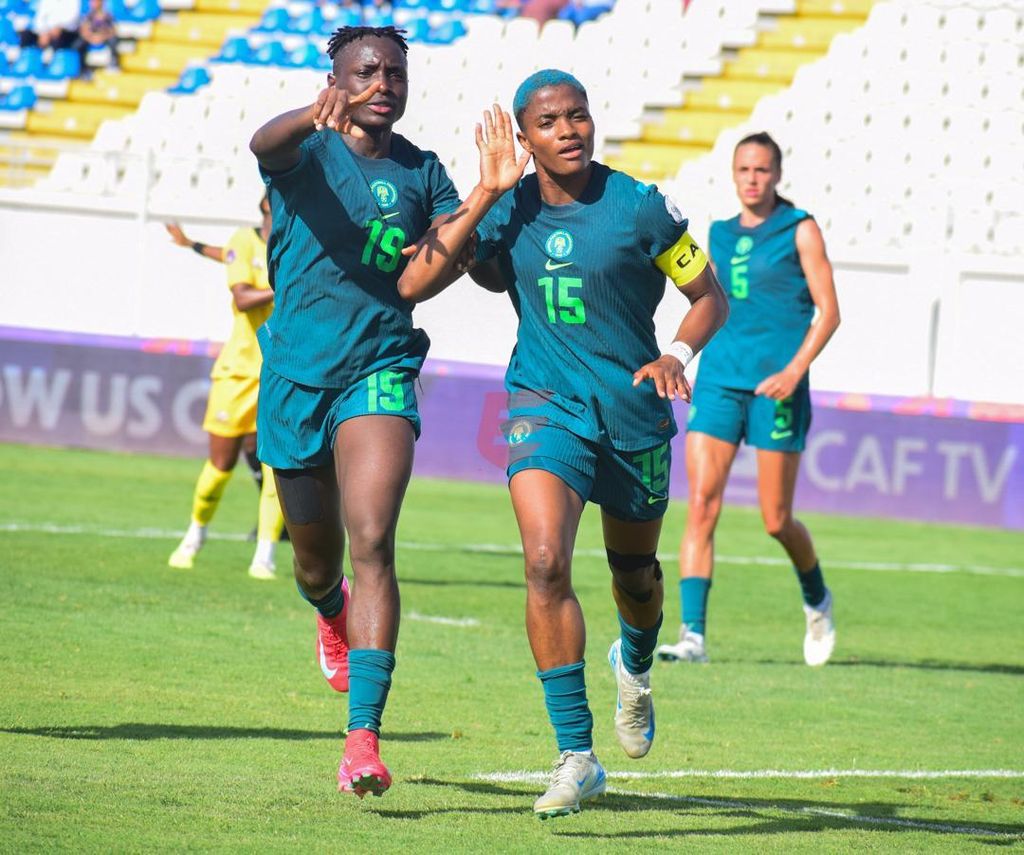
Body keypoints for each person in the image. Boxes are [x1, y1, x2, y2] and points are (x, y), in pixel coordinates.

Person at [398, 70, 728, 819]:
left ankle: (635, 666)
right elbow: (430, 278)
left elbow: (710, 296)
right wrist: (483, 192)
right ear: (525, 136)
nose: (568, 130)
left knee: (635, 577)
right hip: (545, 404)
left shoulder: (640, 207)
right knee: (545, 560)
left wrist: (676, 352)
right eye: (549, 122)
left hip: (637, 413)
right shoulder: (507, 213)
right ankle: (577, 754)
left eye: (578, 115)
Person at [248, 25, 463, 799]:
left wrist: (478, 207)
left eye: (395, 72)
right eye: (366, 71)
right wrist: (311, 116)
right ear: (336, 78)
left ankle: (362, 740)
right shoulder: (307, 150)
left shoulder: (424, 171)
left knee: (372, 535)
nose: (383, 83)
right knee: (315, 560)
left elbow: (430, 272)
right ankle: (329, 609)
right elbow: (260, 142)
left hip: (379, 366)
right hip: (295, 378)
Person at [655, 131, 841, 668]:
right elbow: (704, 299)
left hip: (776, 388)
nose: (752, 179)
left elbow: (829, 312)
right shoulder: (718, 232)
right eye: (744, 170)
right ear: (733, 174)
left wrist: (794, 371)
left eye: (761, 170)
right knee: (702, 506)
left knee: (776, 519)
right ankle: (693, 636)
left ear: (777, 174)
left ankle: (816, 598)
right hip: (719, 384)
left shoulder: (799, 229)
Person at [167, 195, 287, 580]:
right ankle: (194, 534)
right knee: (220, 466)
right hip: (238, 372)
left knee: (274, 470)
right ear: (266, 207)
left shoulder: (295, 242)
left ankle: (265, 555)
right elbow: (242, 298)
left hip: (280, 373)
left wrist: (193, 245)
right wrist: (285, 287)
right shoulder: (245, 239)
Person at [74, 0, 118, 74]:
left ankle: (114, 63)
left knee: (113, 40)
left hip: (104, 39)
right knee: (79, 44)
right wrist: (92, 38)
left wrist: (101, 37)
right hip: (91, 39)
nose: (93, 3)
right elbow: (84, 30)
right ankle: (82, 68)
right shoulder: (88, 16)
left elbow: (113, 31)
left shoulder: (108, 15)